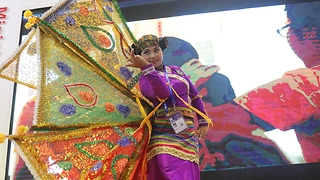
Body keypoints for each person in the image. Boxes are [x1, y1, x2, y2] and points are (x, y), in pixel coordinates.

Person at [125, 34, 210, 180]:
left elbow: (194, 95)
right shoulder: (144, 79)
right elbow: (163, 94)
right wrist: (146, 68)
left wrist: (203, 121)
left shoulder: (177, 70)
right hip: (163, 135)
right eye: (146, 52)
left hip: (186, 134)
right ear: (139, 57)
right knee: (166, 173)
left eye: (156, 50)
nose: (153, 55)